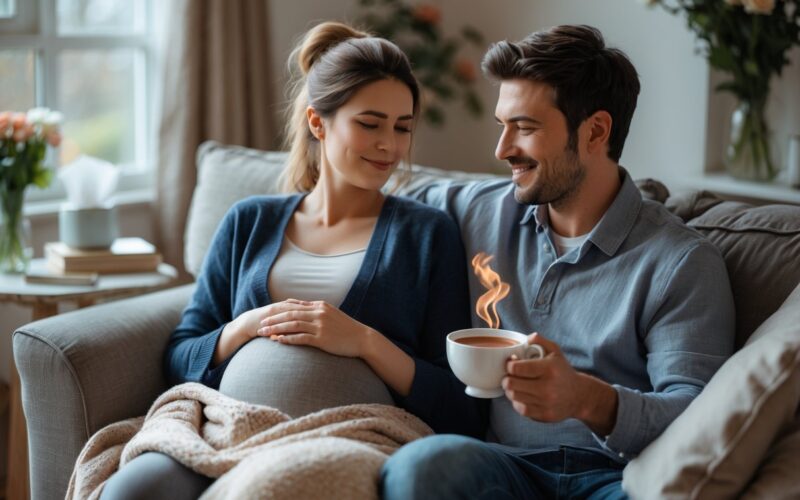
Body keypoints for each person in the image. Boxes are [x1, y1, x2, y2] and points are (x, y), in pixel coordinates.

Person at [99, 21, 485, 500]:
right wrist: (246, 327)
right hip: (226, 428)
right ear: (317, 122)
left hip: (349, 434)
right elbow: (180, 356)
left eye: (402, 127)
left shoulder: (427, 234)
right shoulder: (249, 221)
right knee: (127, 492)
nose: (389, 144)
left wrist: (362, 341)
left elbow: (458, 402)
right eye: (370, 123)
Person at [380, 24, 735, 499]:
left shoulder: (682, 263)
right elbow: (369, 197)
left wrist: (584, 398)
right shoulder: (476, 210)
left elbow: (699, 417)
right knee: (421, 465)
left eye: (524, 128)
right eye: (502, 125)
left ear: (596, 131)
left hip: (617, 478)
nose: (502, 149)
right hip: (499, 467)